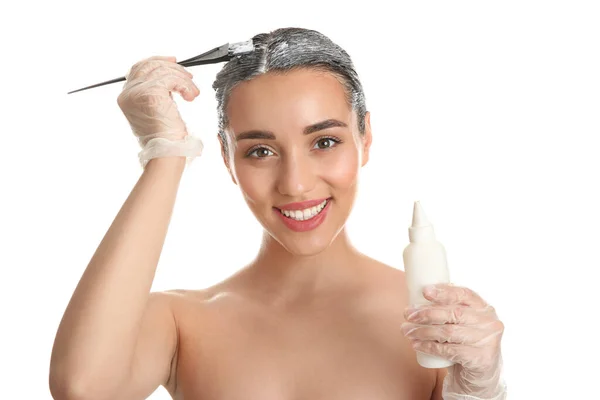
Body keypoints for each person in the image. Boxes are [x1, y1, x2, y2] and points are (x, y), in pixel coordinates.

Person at [49, 27, 507, 400]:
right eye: (260, 150)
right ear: (227, 160)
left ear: (365, 138)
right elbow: (83, 387)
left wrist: (482, 391)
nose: (296, 183)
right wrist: (165, 151)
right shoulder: (182, 322)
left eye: (324, 142)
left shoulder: (431, 326)